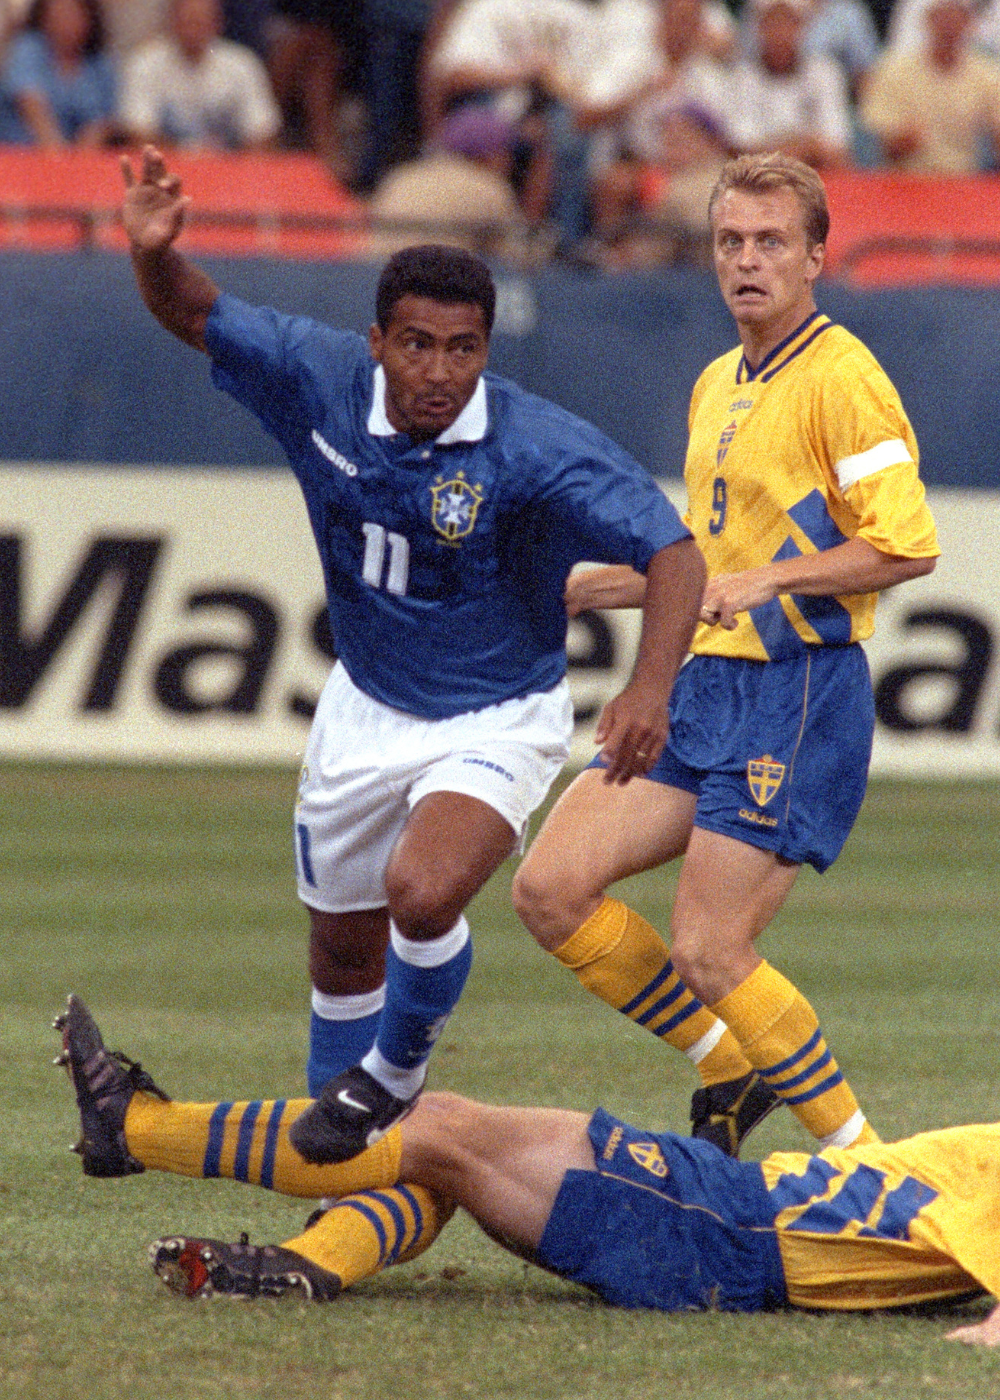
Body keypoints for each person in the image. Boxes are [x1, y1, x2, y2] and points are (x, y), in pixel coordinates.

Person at [118, 145, 705, 1163]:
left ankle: (392, 1077)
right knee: (341, 948)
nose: (441, 372)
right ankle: (350, 1172)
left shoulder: (534, 448)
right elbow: (195, 310)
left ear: (486, 349)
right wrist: (151, 253)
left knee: (423, 889)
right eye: (420, 345)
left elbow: (675, 552)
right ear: (378, 340)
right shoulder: (318, 378)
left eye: (465, 349)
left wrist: (647, 687)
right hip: (364, 707)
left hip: (497, 713)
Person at [511, 152, 940, 1163]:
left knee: (709, 944)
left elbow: (906, 542)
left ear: (815, 256)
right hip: (700, 683)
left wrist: (774, 583)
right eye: (730, 242)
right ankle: (723, 1061)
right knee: (550, 887)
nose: (747, 261)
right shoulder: (720, 381)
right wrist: (604, 584)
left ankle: (870, 1170)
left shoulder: (843, 379)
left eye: (770, 242)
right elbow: (717, 563)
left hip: (792, 693)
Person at [55, 994, 1000, 1343]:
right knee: (444, 1159)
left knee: (430, 1129)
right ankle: (311, 1267)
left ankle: (135, 1131)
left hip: (719, 1232)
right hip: (719, 1214)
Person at [365, 105, 533, 263]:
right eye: (504, 151)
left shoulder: (401, 176)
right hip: (433, 287)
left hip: (376, 282)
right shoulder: (487, 186)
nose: (510, 162)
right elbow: (521, 257)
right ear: (488, 154)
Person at [118, 0, 281, 152]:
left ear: (218, 23)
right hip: (165, 171)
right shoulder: (145, 62)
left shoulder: (242, 63)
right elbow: (138, 134)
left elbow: (263, 134)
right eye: (188, 20)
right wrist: (189, 155)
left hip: (230, 171)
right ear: (171, 21)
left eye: (200, 21)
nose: (193, 28)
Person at [859, 0, 1000, 172]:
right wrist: (901, 141)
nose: (949, 27)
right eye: (944, 18)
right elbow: (880, 143)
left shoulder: (987, 74)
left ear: (969, 23)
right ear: (929, 20)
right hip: (904, 181)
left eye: (956, 19)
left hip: (963, 181)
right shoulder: (894, 70)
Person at [721, 0, 853, 169]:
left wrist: (781, 149)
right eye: (773, 23)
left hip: (817, 175)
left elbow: (835, 143)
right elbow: (741, 147)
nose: (780, 32)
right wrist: (803, 147)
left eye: (789, 23)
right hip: (759, 179)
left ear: (802, 27)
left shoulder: (826, 72)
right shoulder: (740, 77)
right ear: (759, 27)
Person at [0, 0, 117, 147]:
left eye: (74, 15)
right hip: (25, 154)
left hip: (82, 158)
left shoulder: (99, 63)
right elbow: (30, 103)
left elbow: (105, 119)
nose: (65, 23)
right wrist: (58, 155)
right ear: (43, 18)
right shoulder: (28, 48)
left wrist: (84, 151)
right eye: (57, 15)